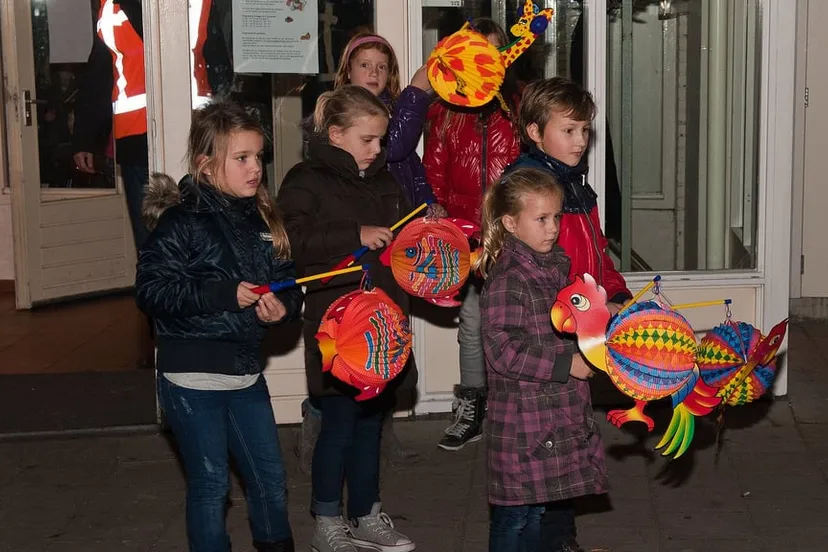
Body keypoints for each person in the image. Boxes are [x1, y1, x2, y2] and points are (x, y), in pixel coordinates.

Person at [135, 101, 302, 552]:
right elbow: (151, 291)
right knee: (210, 485)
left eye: (259, 157)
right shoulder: (181, 222)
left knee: (270, 479)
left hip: (245, 374)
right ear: (206, 166)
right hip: (191, 378)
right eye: (241, 158)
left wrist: (284, 307)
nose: (255, 168)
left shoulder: (263, 219)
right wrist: (221, 293)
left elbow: (287, 281)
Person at [277, 85, 417, 552]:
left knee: (370, 426)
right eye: (367, 140)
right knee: (337, 427)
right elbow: (291, 241)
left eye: (380, 139)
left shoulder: (384, 181)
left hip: (383, 325)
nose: (377, 149)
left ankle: (366, 514)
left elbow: (401, 244)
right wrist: (353, 233)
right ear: (335, 134)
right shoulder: (305, 179)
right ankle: (326, 520)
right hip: (337, 328)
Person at [296, 31, 435, 471]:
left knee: (381, 373)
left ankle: (375, 453)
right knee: (339, 392)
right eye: (364, 65)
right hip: (343, 292)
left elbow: (409, 169)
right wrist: (418, 91)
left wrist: (425, 213)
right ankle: (318, 431)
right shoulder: (331, 142)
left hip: (384, 277)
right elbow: (398, 144)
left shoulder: (383, 147)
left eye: (381, 66)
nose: (373, 73)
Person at [478, 167, 607, 552]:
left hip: (551, 416)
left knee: (537, 512)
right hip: (524, 423)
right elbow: (503, 350)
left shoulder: (553, 268)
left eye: (556, 217)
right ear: (510, 223)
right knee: (515, 516)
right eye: (541, 219)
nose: (552, 228)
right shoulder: (509, 280)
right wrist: (567, 364)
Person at [422, 18, 522, 451]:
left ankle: (513, 408)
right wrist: (438, 218)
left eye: (495, 52)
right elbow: (433, 170)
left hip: (513, 233)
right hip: (466, 235)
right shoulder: (445, 112)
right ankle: (472, 405)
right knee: (473, 323)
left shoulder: (518, 107)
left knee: (517, 322)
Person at [505, 77, 631, 311]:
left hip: (586, 311)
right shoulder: (526, 191)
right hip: (553, 320)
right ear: (535, 132)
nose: (581, 141)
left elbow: (599, 254)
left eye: (585, 130)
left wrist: (618, 294)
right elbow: (532, 277)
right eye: (569, 130)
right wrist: (587, 309)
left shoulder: (576, 184)